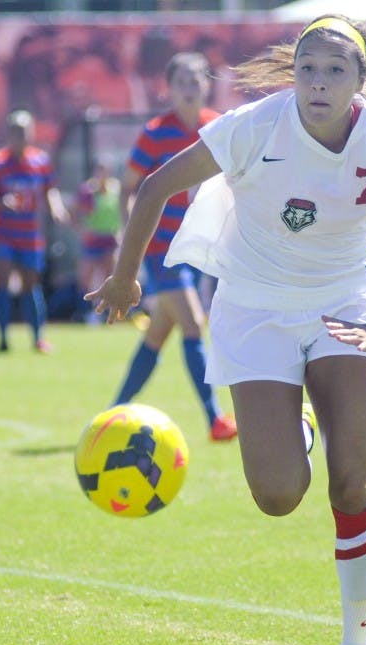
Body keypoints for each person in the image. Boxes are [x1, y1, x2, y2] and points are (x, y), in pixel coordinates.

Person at [86, 15, 366, 645]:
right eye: (308, 68)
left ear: (362, 80)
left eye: (336, 70)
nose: (318, 82)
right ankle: (298, 426)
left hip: (348, 304)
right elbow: (156, 184)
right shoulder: (255, 125)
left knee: (354, 480)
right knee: (278, 496)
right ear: (293, 75)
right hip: (252, 307)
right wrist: (128, 276)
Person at [111, 52, 237, 443]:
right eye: (181, 81)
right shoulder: (155, 132)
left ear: (207, 85)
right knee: (194, 322)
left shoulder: (218, 127)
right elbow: (129, 187)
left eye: (195, 80)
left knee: (159, 332)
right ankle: (215, 419)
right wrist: (132, 234)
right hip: (162, 247)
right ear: (169, 87)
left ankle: (114, 413)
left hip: (201, 248)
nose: (189, 87)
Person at [0, 110, 68, 353]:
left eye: (24, 131)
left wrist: (57, 208)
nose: (20, 137)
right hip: (3, 233)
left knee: (31, 284)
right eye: (16, 132)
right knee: (2, 282)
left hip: (29, 234)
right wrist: (2, 202)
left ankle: (37, 338)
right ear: (9, 134)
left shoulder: (39, 161)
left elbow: (49, 190)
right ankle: (2, 338)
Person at [72, 159, 121, 324]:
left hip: (110, 240)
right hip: (93, 241)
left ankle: (109, 315)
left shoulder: (116, 189)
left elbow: (123, 210)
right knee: (86, 279)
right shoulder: (87, 191)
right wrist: (82, 231)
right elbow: (75, 213)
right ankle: (85, 314)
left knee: (110, 278)